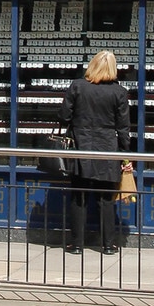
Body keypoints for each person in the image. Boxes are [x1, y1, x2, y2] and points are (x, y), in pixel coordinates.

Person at [60, 50, 132, 255]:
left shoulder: (77, 87)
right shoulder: (119, 92)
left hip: (80, 148)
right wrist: (125, 156)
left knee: (79, 197)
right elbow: (123, 127)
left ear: (91, 65)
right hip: (107, 150)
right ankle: (108, 245)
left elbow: (63, 116)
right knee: (106, 199)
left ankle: (77, 245)